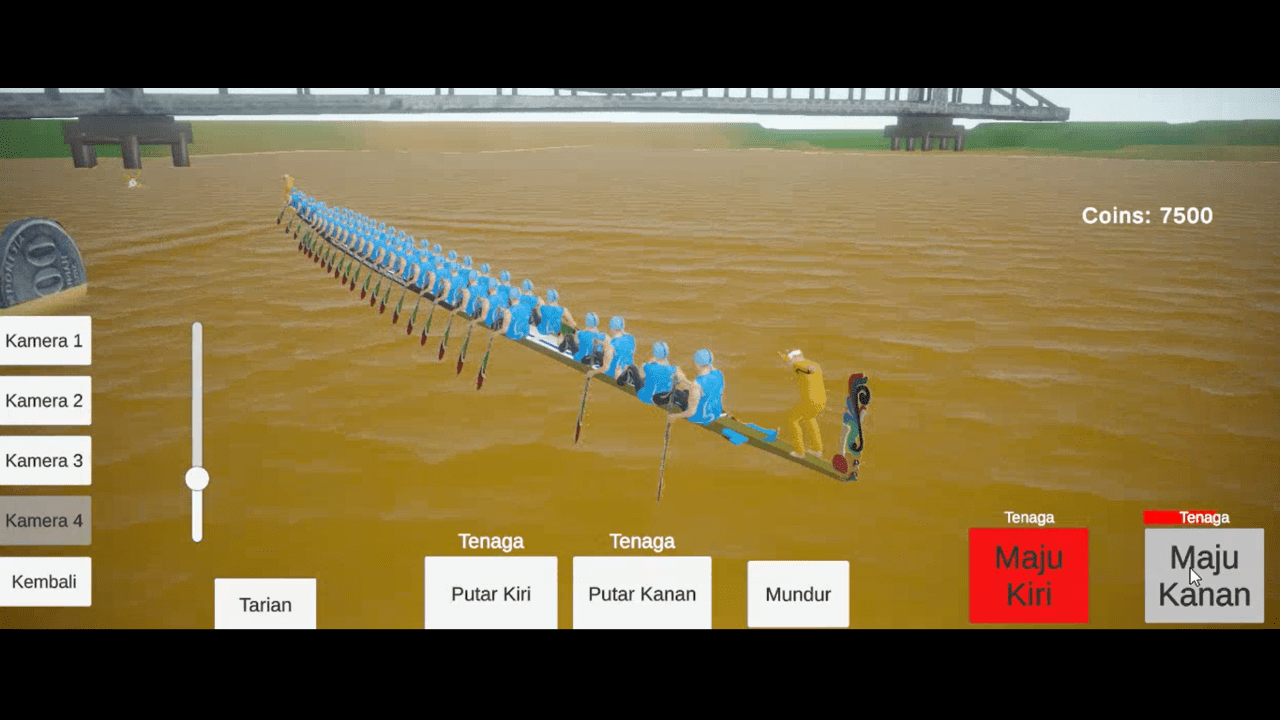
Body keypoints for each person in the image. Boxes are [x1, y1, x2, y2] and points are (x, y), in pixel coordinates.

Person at [780, 349, 826, 459]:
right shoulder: (814, 364)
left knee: (793, 419)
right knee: (809, 418)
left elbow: (805, 368)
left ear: (796, 358)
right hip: (821, 400)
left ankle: (799, 452)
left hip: (810, 401)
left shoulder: (799, 365)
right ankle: (817, 450)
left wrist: (791, 361)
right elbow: (808, 368)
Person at [662, 350, 725, 427]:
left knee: (678, 394)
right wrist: (684, 380)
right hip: (716, 412)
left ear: (697, 364)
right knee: (689, 389)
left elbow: (691, 412)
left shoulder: (696, 384)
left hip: (700, 418)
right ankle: (681, 380)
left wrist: (674, 416)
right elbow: (702, 388)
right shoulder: (718, 374)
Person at [589, 317, 635, 381]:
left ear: (611, 328)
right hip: (627, 371)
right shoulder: (630, 338)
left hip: (613, 374)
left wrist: (592, 372)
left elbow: (605, 368)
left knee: (599, 354)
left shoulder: (611, 344)